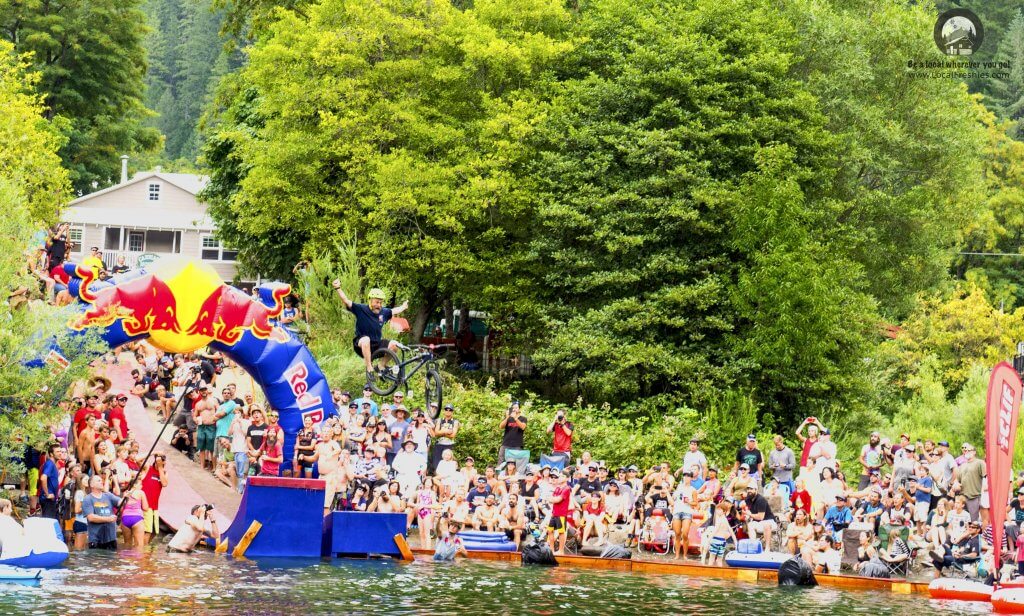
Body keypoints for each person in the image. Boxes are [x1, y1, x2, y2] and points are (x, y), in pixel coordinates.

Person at [332, 281, 408, 381]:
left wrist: (403, 306)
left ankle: (380, 366)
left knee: (394, 344)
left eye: (381, 303)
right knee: (366, 339)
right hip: (361, 344)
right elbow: (346, 301)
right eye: (377, 302)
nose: (379, 305)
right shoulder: (361, 309)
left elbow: (394, 310)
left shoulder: (383, 312)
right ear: (370, 301)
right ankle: (369, 368)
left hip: (376, 345)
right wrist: (338, 288)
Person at [82, 474, 122, 550]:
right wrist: (108, 519)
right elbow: (91, 517)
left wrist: (127, 497)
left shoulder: (108, 495)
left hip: (111, 538)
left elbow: (120, 502)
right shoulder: (88, 499)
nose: (102, 482)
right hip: (96, 539)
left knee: (111, 560)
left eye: (101, 480)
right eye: (99, 480)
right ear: (92, 485)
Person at [141, 454, 168, 544]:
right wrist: (154, 453)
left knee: (154, 532)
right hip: (145, 505)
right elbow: (137, 459)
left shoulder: (164, 472)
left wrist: (160, 467)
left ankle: (145, 549)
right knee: (147, 531)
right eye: (159, 460)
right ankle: (143, 551)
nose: (161, 462)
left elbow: (164, 483)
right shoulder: (148, 468)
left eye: (163, 460)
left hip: (155, 507)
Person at [954, 443, 985, 521]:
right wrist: (956, 484)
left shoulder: (980, 463)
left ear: (974, 452)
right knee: (961, 520)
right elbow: (957, 480)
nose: (966, 452)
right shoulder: (962, 465)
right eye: (965, 450)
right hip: (962, 496)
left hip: (974, 496)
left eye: (969, 450)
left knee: (973, 520)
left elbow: (986, 478)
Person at [119, 477, 150, 548]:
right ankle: (136, 559)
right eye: (140, 484)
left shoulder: (125, 493)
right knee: (139, 544)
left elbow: (121, 509)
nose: (142, 486)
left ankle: (125, 559)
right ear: (135, 485)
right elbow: (145, 508)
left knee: (127, 544)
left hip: (125, 519)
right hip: (137, 519)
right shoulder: (141, 493)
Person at [672, 472, 697, 559]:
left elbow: (695, 503)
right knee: (677, 533)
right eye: (685, 476)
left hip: (687, 512)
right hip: (677, 511)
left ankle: (685, 555)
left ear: (691, 478)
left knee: (685, 534)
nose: (686, 478)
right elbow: (674, 498)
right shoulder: (679, 487)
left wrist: (689, 502)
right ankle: (677, 555)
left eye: (688, 476)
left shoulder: (693, 490)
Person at [744, 485, 777, 549]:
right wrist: (747, 515)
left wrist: (750, 514)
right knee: (750, 525)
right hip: (758, 522)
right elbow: (747, 509)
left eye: (751, 489)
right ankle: (753, 547)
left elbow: (760, 517)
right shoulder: (748, 499)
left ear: (756, 490)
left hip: (769, 521)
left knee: (766, 525)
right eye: (748, 489)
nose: (749, 491)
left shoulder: (761, 500)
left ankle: (767, 548)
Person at [39, 443, 65, 520]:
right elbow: (43, 478)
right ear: (51, 454)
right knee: (48, 523)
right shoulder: (49, 464)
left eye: (60, 451)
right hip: (48, 499)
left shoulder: (52, 464)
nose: (60, 453)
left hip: (52, 499)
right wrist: (47, 494)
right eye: (57, 452)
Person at [548, 471, 571, 555]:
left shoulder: (567, 488)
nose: (560, 477)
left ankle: (561, 551)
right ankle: (551, 550)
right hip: (554, 513)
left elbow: (557, 499)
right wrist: (552, 499)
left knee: (561, 532)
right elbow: (553, 499)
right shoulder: (558, 488)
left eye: (562, 476)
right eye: (560, 476)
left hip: (561, 514)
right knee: (550, 530)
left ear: (567, 478)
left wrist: (551, 499)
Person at [709, 500, 737, 567]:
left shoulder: (719, 519)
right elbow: (730, 530)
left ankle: (709, 571)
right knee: (719, 559)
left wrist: (709, 539)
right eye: (717, 509)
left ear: (724, 511)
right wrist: (735, 540)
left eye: (719, 510)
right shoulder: (725, 519)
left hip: (716, 540)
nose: (717, 511)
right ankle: (719, 572)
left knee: (711, 558)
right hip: (723, 541)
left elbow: (716, 529)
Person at [498, 401, 527, 467]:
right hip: (506, 444)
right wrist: (507, 417)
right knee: (501, 462)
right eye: (513, 408)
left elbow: (523, 427)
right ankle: (498, 476)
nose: (514, 409)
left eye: (516, 408)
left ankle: (515, 477)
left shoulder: (523, 418)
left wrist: (515, 418)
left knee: (517, 463)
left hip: (517, 445)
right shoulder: (508, 418)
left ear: (519, 409)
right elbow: (501, 426)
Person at [431, 404, 459, 472]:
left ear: (452, 412)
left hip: (449, 445)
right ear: (444, 411)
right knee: (436, 464)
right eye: (446, 409)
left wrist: (442, 431)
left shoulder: (455, 421)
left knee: (448, 463)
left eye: (450, 410)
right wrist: (446, 431)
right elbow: (436, 433)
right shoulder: (439, 420)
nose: (448, 411)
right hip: (439, 444)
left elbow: (453, 435)